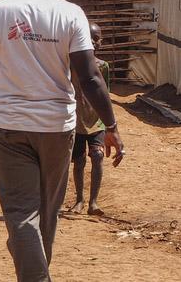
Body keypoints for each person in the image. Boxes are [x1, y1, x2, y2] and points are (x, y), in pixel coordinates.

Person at [0, 0, 125, 282]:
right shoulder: (71, 14)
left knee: (20, 215)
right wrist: (111, 125)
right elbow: (89, 76)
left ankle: (33, 274)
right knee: (46, 214)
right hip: (57, 128)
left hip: (8, 126)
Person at [69, 23, 110, 216]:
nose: (94, 42)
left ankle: (93, 202)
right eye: (90, 37)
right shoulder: (71, 65)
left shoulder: (103, 67)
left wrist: (109, 124)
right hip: (76, 120)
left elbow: (105, 95)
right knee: (78, 161)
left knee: (98, 156)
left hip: (97, 121)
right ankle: (79, 199)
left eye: (97, 38)